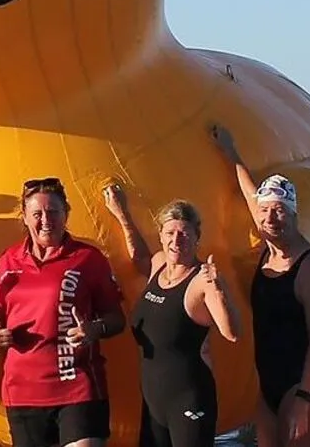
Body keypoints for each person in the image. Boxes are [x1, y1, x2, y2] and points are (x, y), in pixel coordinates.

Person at [211, 125, 310, 447]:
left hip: (301, 386)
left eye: (279, 211)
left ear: (293, 215)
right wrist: (230, 152)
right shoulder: (268, 245)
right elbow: (252, 194)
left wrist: (304, 397)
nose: (270, 218)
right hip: (265, 385)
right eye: (265, 211)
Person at [0, 176, 126, 447]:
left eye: (53, 212)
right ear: (24, 217)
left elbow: (117, 319)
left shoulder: (88, 258)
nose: (46, 220)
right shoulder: (8, 261)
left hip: (78, 386)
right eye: (37, 214)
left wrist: (94, 329)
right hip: (23, 391)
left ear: (66, 214)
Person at [105, 185, 241, 447]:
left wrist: (218, 289)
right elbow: (140, 257)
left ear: (196, 237)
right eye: (170, 233)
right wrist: (122, 215)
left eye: (184, 233)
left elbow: (232, 333)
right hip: (153, 401)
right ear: (161, 235)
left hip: (189, 399)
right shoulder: (158, 264)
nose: (176, 240)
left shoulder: (202, 280)